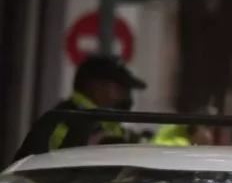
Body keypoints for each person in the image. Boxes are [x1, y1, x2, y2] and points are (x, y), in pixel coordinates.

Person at [12, 54, 146, 162]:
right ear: (98, 87)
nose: (126, 96)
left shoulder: (102, 122)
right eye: (122, 89)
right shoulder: (68, 122)